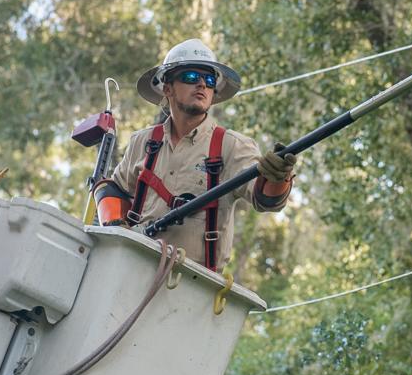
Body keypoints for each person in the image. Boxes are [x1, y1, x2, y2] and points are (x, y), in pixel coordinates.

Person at [94, 39, 295, 271]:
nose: (202, 84)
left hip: (196, 285)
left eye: (209, 80)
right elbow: (113, 190)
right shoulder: (143, 142)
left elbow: (266, 199)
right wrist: (116, 227)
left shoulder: (232, 146)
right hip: (134, 267)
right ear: (167, 88)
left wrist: (278, 177)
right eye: (191, 77)